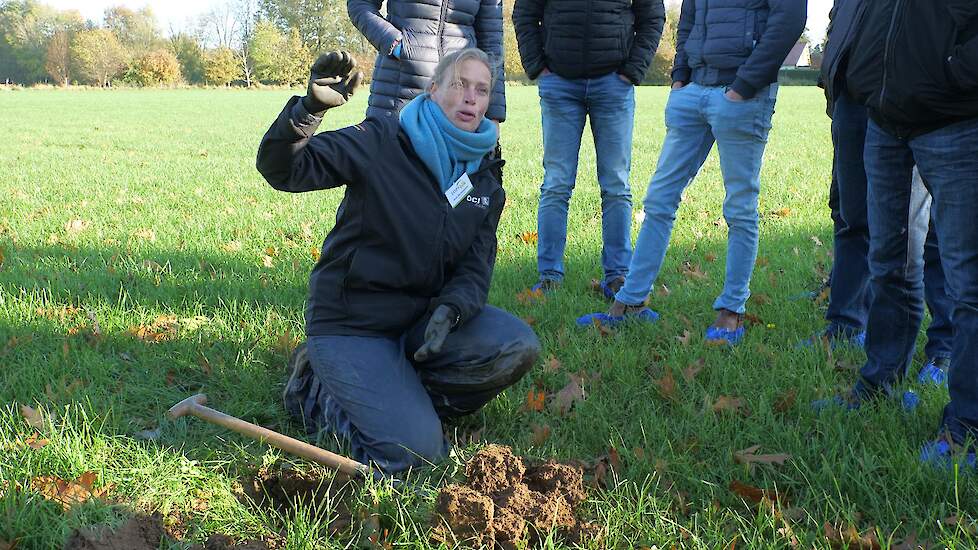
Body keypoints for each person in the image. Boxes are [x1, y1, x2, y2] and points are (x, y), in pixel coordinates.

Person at [256, 49, 539, 473]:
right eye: (460, 84)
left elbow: (476, 264)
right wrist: (309, 109)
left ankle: (397, 399)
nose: (471, 98)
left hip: (419, 322)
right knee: (416, 456)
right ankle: (318, 390)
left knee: (517, 345)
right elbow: (284, 170)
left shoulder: (485, 173)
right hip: (353, 325)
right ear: (433, 89)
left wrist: (453, 309)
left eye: (482, 90)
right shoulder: (383, 140)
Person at [578, 0, 807, 344]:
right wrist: (680, 76)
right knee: (658, 200)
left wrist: (744, 85)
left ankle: (731, 312)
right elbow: (688, 19)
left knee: (739, 207)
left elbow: (789, 20)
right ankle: (632, 303)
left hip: (742, 95)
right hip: (692, 92)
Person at [824, 0, 978, 466]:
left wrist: (954, 70)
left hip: (958, 120)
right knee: (890, 264)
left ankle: (967, 428)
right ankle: (879, 384)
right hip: (885, 120)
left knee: (969, 281)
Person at [808, 0, 953, 385]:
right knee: (858, 222)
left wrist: (951, 74)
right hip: (860, 98)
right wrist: (836, 78)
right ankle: (850, 330)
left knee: (933, 236)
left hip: (926, 97)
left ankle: (945, 350)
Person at [513, 0, 665, 297]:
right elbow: (525, 13)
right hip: (559, 84)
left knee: (616, 185)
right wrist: (537, 66)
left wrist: (632, 71)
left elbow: (652, 17)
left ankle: (618, 275)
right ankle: (549, 277)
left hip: (613, 84)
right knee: (556, 183)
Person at [347, 0, 506, 123]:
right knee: (392, 161)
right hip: (399, 87)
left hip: (460, 94)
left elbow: (492, 42)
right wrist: (397, 45)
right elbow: (360, 4)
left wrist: (493, 115)